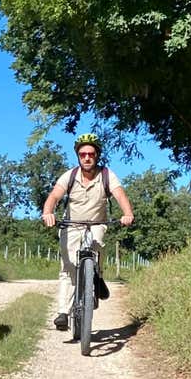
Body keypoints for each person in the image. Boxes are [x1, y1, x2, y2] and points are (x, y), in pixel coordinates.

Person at [41, 133, 134, 331]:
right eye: (82, 154)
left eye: (91, 154)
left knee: (98, 245)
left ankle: (96, 276)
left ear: (97, 155)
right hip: (71, 225)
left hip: (97, 224)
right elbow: (54, 195)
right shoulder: (70, 175)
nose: (87, 158)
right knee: (68, 268)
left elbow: (119, 195)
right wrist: (48, 212)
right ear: (78, 156)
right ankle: (63, 313)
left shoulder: (107, 175)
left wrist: (127, 213)